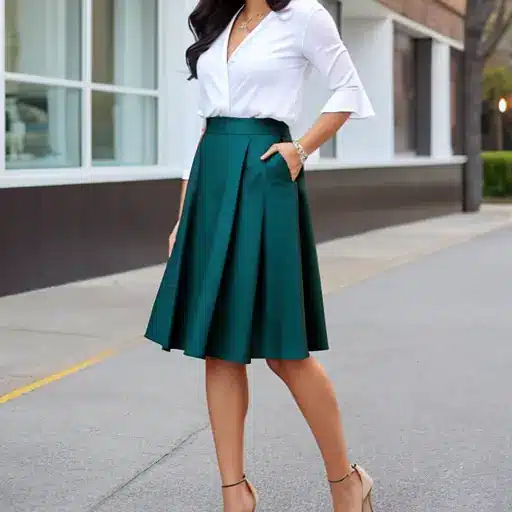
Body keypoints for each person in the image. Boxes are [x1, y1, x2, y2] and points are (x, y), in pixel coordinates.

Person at [145, 0, 375, 510]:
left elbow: (350, 88)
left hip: (267, 176)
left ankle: (346, 482)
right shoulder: (219, 19)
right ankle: (235, 494)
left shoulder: (305, 16)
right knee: (219, 345)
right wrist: (185, 215)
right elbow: (202, 126)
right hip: (214, 176)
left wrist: (303, 147)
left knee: (285, 351)